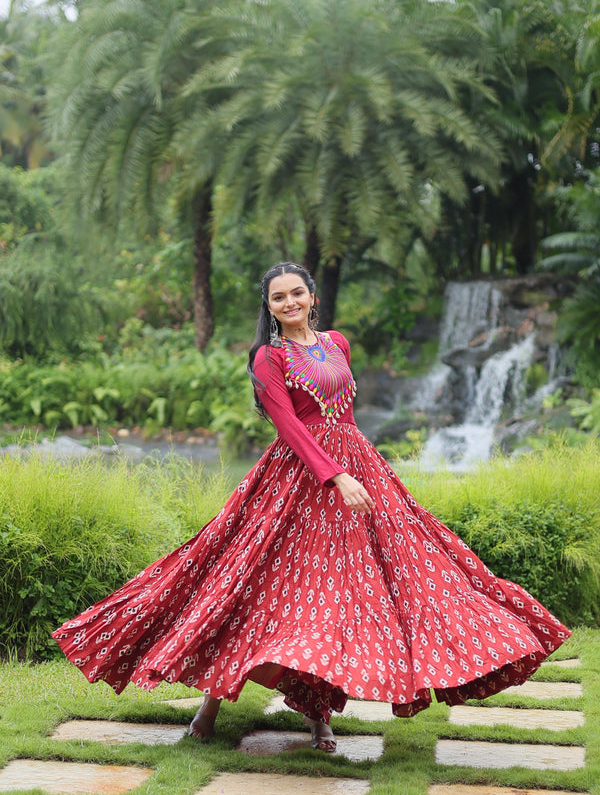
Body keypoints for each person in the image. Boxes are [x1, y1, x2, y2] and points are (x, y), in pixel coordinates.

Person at [52, 262, 571, 753]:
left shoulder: (337, 343)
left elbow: (344, 410)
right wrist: (334, 474)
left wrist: (354, 467)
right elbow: (289, 425)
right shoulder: (268, 357)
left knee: (357, 586)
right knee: (253, 584)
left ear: (312, 297)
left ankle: (319, 711)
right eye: (279, 297)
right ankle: (209, 705)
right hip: (297, 480)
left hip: (358, 468)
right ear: (270, 307)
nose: (290, 301)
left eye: (297, 292)